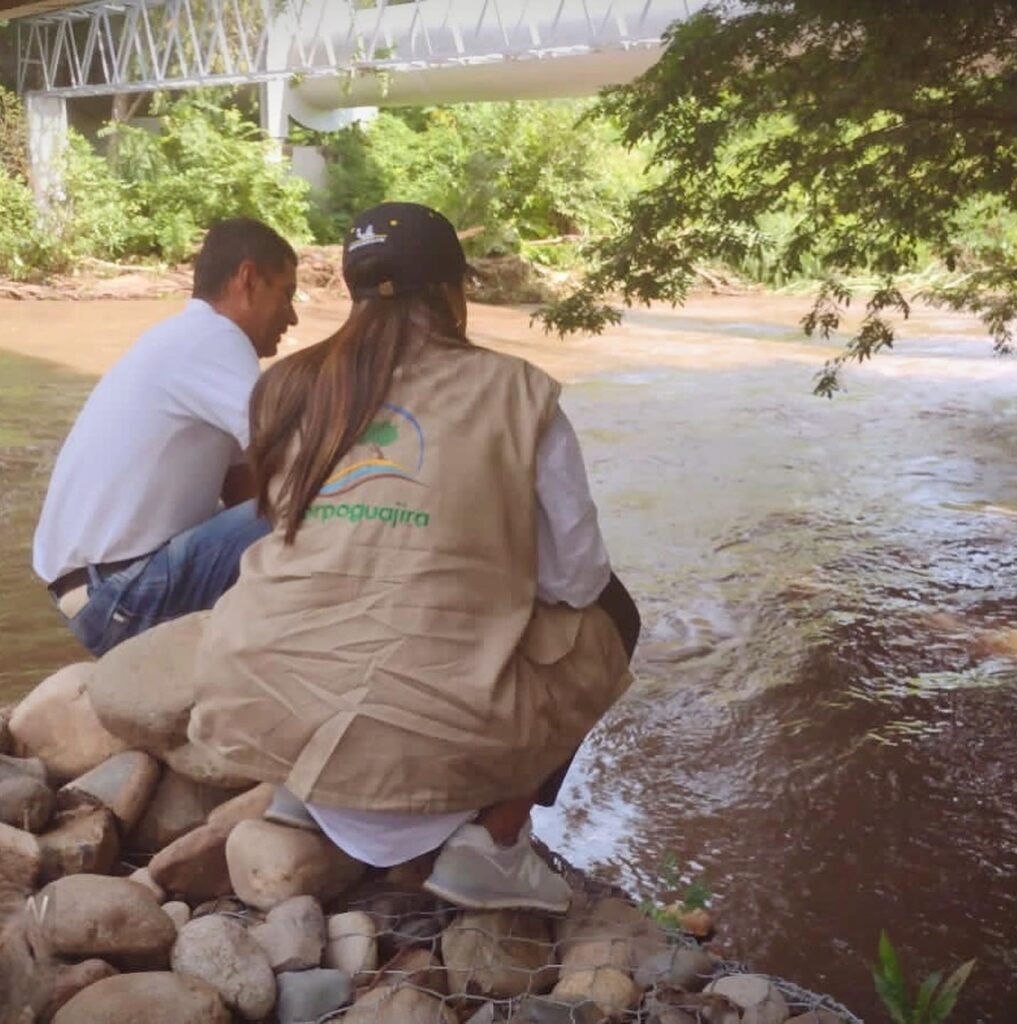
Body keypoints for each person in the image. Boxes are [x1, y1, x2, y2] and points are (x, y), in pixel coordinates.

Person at [164, 201, 637, 911]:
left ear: (352, 293)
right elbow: (578, 576)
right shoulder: (518, 391)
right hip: (439, 749)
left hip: (258, 706)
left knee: (328, 583)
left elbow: (293, 526)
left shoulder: (286, 385)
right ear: (454, 292)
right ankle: (497, 846)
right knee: (614, 614)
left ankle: (302, 791)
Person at [33, 217, 298, 658]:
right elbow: (297, 462)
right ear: (247, 279)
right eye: (285, 293)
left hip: (93, 591)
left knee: (300, 507)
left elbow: (246, 491)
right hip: (119, 592)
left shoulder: (185, 340)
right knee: (324, 503)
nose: (292, 315)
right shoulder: (217, 339)